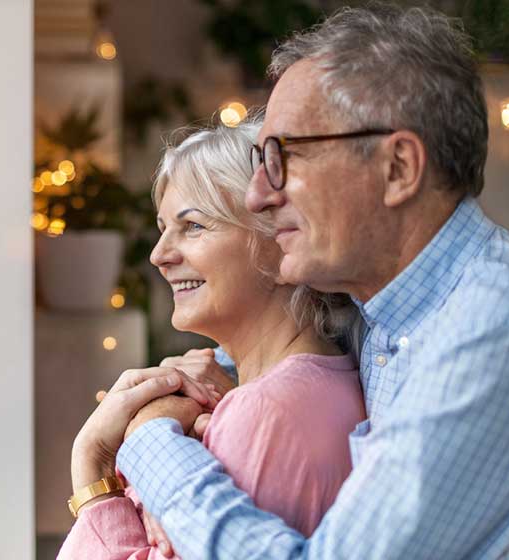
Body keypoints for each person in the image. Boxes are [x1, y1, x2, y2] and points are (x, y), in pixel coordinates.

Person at [106, 5, 509, 559]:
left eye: (284, 157)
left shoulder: (486, 329)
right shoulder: (381, 308)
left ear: (398, 169)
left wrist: (150, 440)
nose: (259, 197)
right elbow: (268, 351)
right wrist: (185, 386)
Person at [57, 121, 365, 559]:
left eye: (194, 226)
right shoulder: (307, 382)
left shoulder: (263, 413)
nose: (159, 255)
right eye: (164, 227)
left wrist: (93, 470)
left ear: (283, 249)